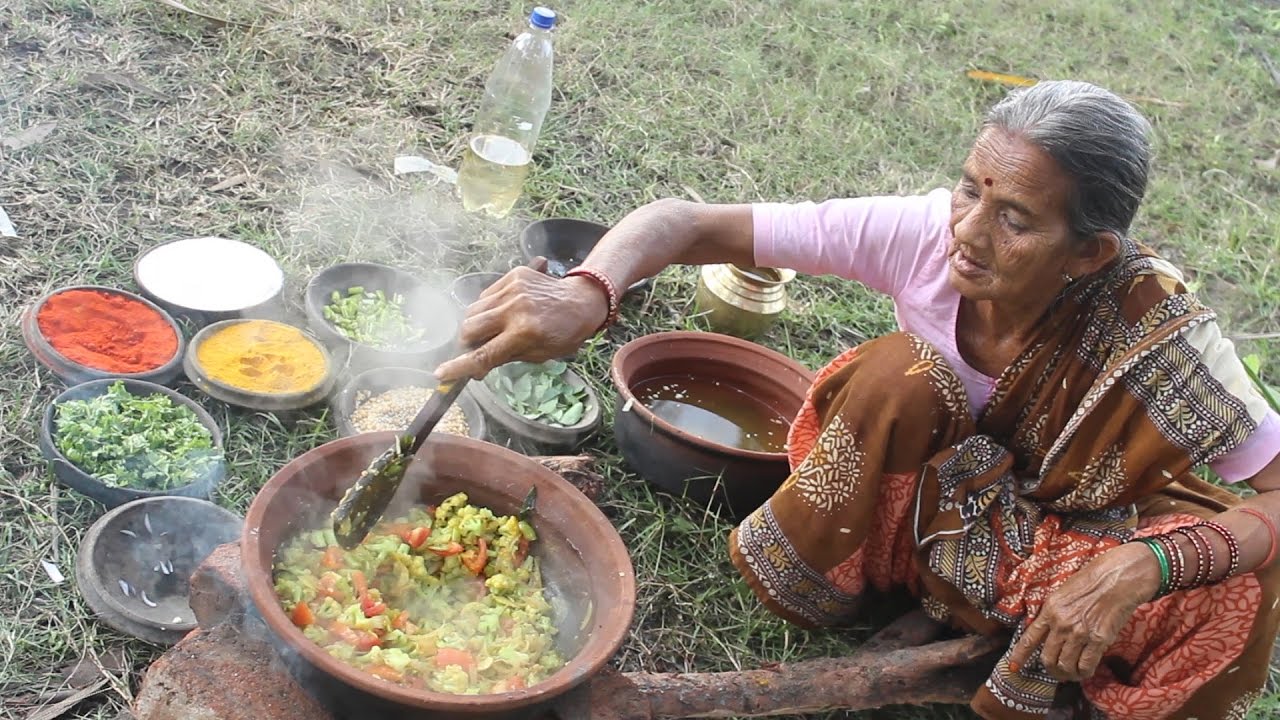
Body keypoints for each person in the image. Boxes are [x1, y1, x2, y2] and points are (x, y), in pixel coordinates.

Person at [435, 80, 1280, 720]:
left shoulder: (1160, 335)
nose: (971, 231)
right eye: (970, 187)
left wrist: (1145, 565)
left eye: (1015, 218)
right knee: (895, 374)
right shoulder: (930, 233)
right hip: (923, 512)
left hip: (1063, 542)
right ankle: (875, 587)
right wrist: (590, 289)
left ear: (1090, 253)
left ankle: (1022, 625)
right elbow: (687, 222)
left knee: (1229, 582)